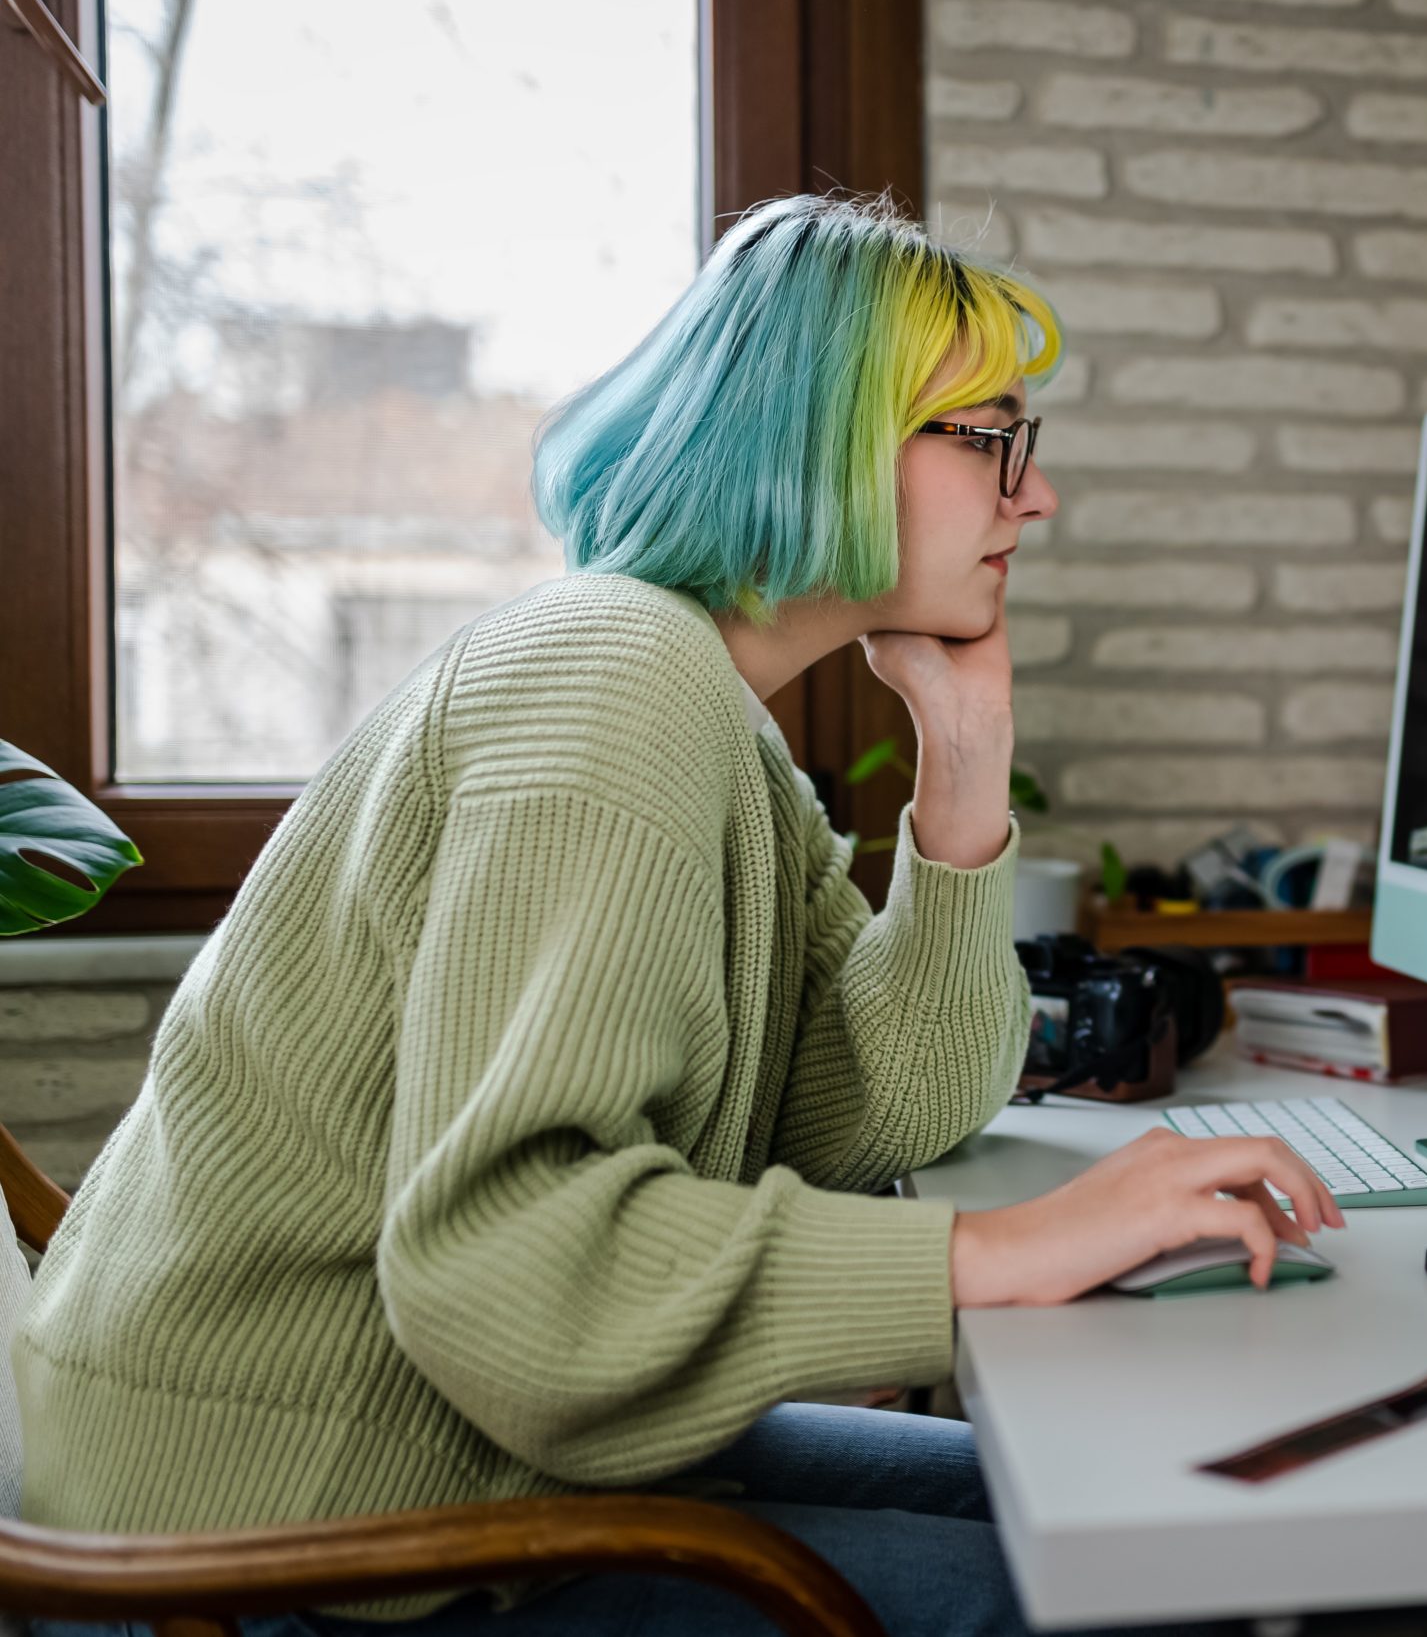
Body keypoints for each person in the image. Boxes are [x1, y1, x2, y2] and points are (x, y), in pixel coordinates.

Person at [18, 193, 1339, 1637]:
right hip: (274, 1538)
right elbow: (507, 1265)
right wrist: (1003, 1251)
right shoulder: (609, 682)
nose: (1039, 496)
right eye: (995, 438)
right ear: (824, 437)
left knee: (1113, 1512)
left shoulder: (702, 706)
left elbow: (880, 1098)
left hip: (436, 1447)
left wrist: (962, 774)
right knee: (1126, 1592)